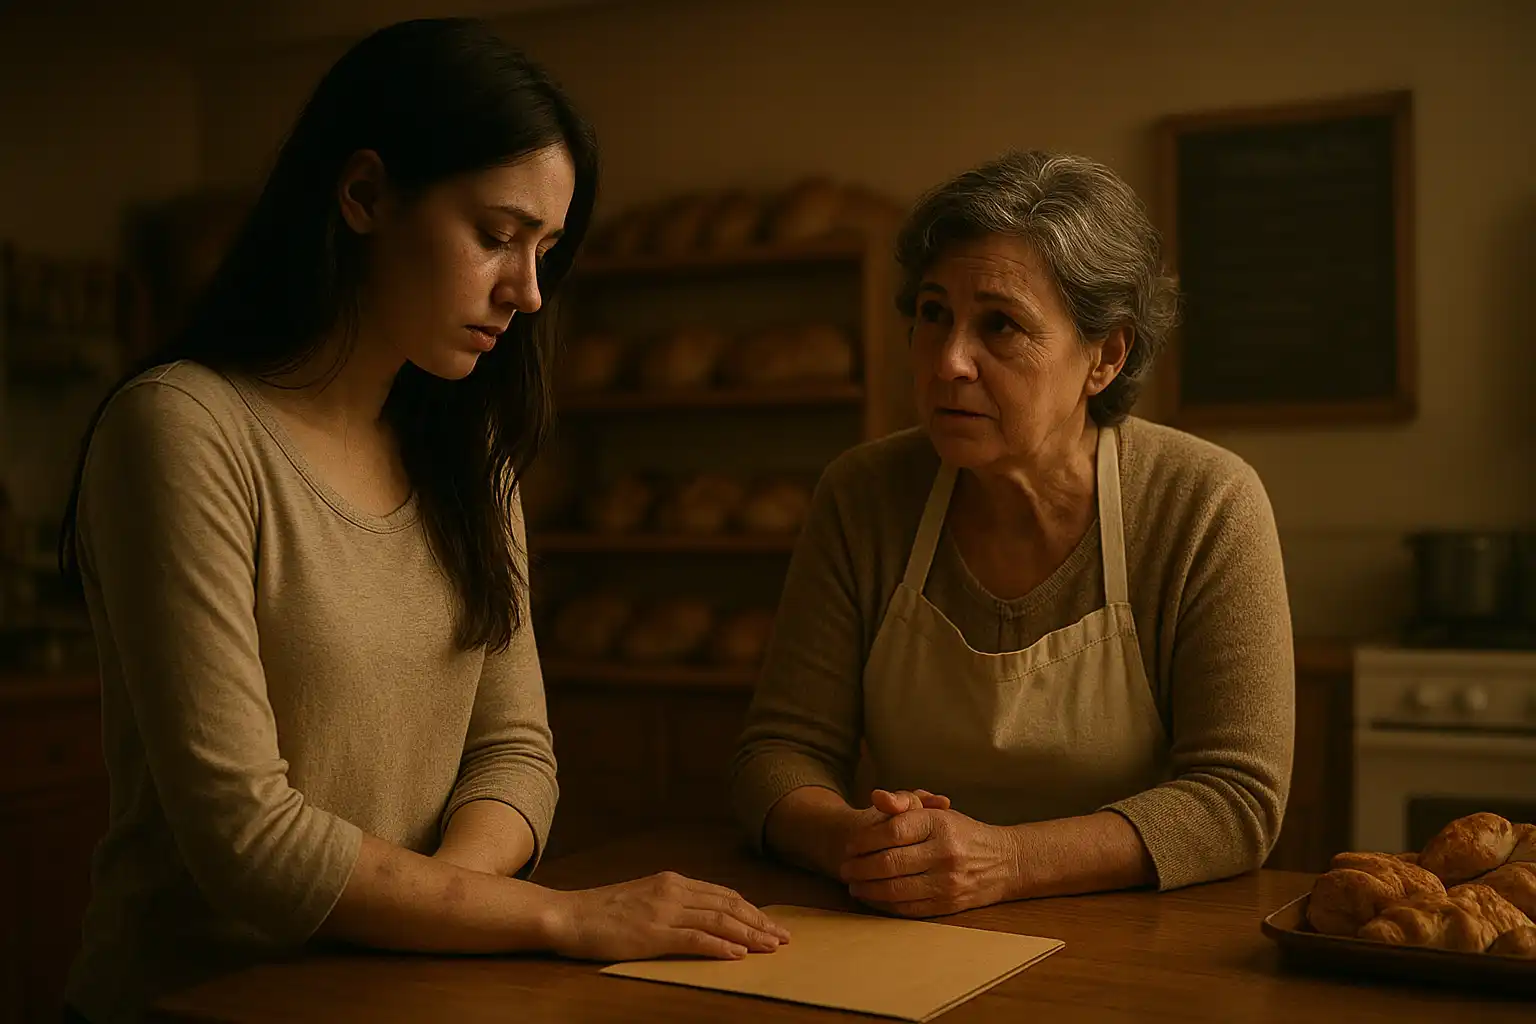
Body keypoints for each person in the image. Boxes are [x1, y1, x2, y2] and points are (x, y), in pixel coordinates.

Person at [61, 19, 786, 1024]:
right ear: (363, 196)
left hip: (409, 994)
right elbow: (245, 835)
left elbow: (515, 754)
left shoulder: (471, 461)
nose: (527, 293)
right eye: (496, 235)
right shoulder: (183, 431)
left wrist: (441, 923)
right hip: (204, 1002)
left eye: (545, 251)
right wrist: (555, 919)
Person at [731, 151, 1294, 919]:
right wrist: (849, 840)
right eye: (933, 315)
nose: (949, 361)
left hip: (1137, 950)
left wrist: (1009, 861)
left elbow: (1237, 799)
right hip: (911, 937)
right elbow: (777, 752)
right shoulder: (864, 495)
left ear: (1105, 356)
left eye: (1000, 325)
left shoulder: (1203, 502)